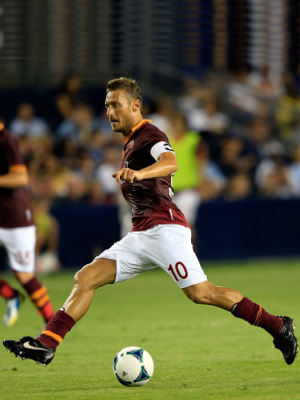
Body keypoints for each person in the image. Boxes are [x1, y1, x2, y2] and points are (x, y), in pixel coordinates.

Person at [3, 77, 297, 366]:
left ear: (135, 105)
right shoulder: (130, 142)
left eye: (115, 105)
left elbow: (172, 162)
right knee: (85, 278)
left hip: (165, 230)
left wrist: (140, 174)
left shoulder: (150, 135)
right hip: (141, 234)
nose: (109, 112)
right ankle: (47, 344)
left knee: (202, 293)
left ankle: (277, 326)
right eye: (107, 106)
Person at [0, 122, 54, 326]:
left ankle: (51, 323)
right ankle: (10, 295)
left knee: (24, 275)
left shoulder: (6, 139)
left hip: (15, 218)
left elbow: (21, 177)